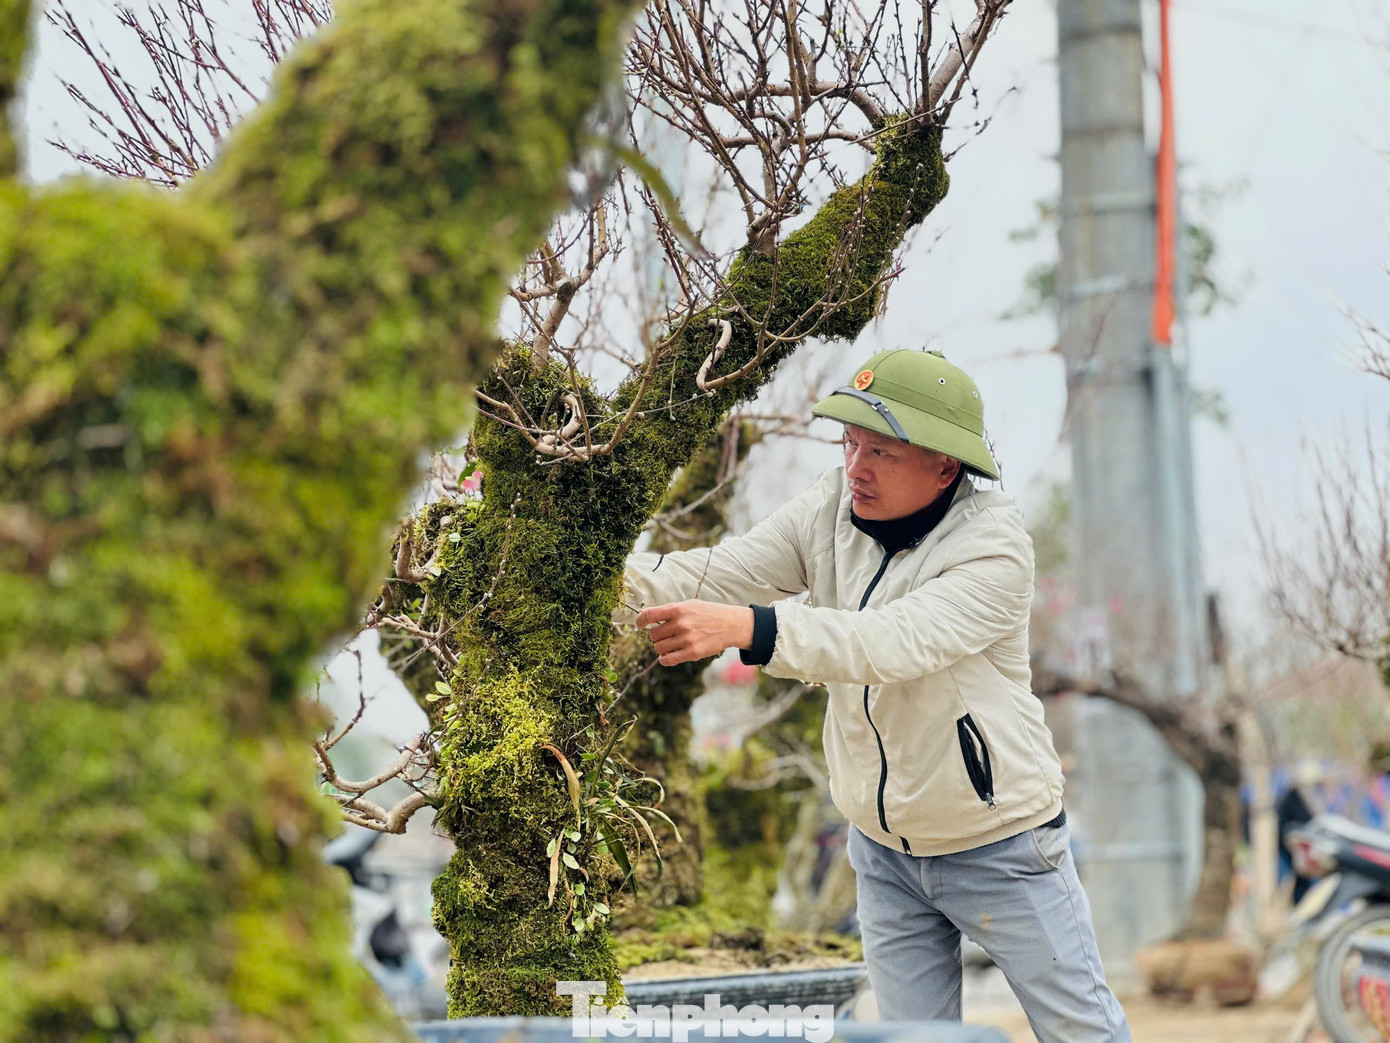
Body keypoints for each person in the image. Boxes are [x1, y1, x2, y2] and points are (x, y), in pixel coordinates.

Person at [620, 349, 1130, 1041]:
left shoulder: (993, 546)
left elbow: (890, 643)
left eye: (882, 451)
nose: (856, 465)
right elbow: (718, 570)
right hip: (883, 850)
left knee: (1084, 1033)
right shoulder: (828, 508)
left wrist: (749, 627)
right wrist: (594, 582)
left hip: (1001, 843)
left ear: (945, 465)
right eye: (849, 441)